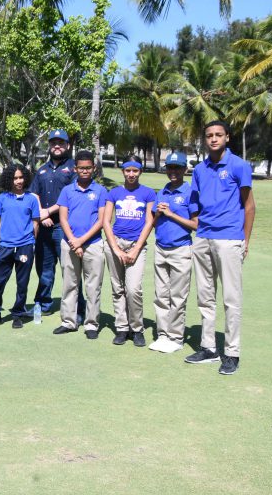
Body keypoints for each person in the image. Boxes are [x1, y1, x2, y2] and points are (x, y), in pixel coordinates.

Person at [185, 121, 255, 375]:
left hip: (229, 239)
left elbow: (249, 206)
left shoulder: (239, 165)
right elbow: (194, 198)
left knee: (231, 299)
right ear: (205, 140)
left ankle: (232, 352)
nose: (214, 139)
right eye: (209, 136)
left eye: (218, 135)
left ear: (227, 137)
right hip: (203, 237)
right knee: (205, 296)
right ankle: (208, 347)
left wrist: (244, 241)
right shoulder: (200, 169)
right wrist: (196, 216)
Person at [29, 129, 84, 320]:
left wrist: (47, 211)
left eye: (61, 143)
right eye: (54, 143)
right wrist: (41, 215)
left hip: (64, 227)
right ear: (50, 146)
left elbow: (68, 198)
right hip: (44, 227)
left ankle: (77, 309)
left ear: (68, 146)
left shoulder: (73, 168)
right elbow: (34, 194)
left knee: (70, 270)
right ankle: (43, 304)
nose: (57, 146)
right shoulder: (42, 169)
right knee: (44, 268)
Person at [102, 155, 156, 347]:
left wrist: (136, 249)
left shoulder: (149, 193)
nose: (131, 174)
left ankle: (137, 328)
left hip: (136, 246)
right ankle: (122, 328)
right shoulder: (114, 193)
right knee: (118, 289)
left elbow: (150, 221)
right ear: (123, 171)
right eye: (127, 170)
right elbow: (106, 222)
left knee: (133, 289)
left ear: (140, 171)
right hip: (115, 243)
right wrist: (115, 248)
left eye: (135, 170)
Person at [53, 151, 108, 339]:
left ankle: (91, 324)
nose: (85, 171)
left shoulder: (100, 191)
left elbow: (101, 221)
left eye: (88, 168)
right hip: (69, 243)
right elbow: (63, 218)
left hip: (92, 244)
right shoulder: (67, 190)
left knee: (93, 286)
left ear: (94, 168)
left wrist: (81, 241)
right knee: (70, 284)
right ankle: (68, 321)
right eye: (81, 168)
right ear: (75, 169)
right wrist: (73, 241)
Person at [149, 152, 198, 353]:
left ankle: (176, 337)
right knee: (161, 296)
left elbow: (195, 224)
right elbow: (152, 222)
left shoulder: (190, 192)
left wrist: (171, 214)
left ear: (185, 169)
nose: (174, 171)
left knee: (177, 297)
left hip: (181, 249)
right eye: (170, 167)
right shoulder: (162, 192)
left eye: (177, 167)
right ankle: (163, 334)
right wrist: (159, 213)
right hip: (161, 248)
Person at [0, 164, 40, 329]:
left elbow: (35, 222)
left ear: (25, 178)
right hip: (6, 246)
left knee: (22, 283)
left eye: (21, 177)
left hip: (25, 246)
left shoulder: (31, 198)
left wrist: (31, 242)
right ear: (9, 179)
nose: (18, 181)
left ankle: (17, 314)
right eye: (15, 178)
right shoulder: (2, 198)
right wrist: (3, 239)